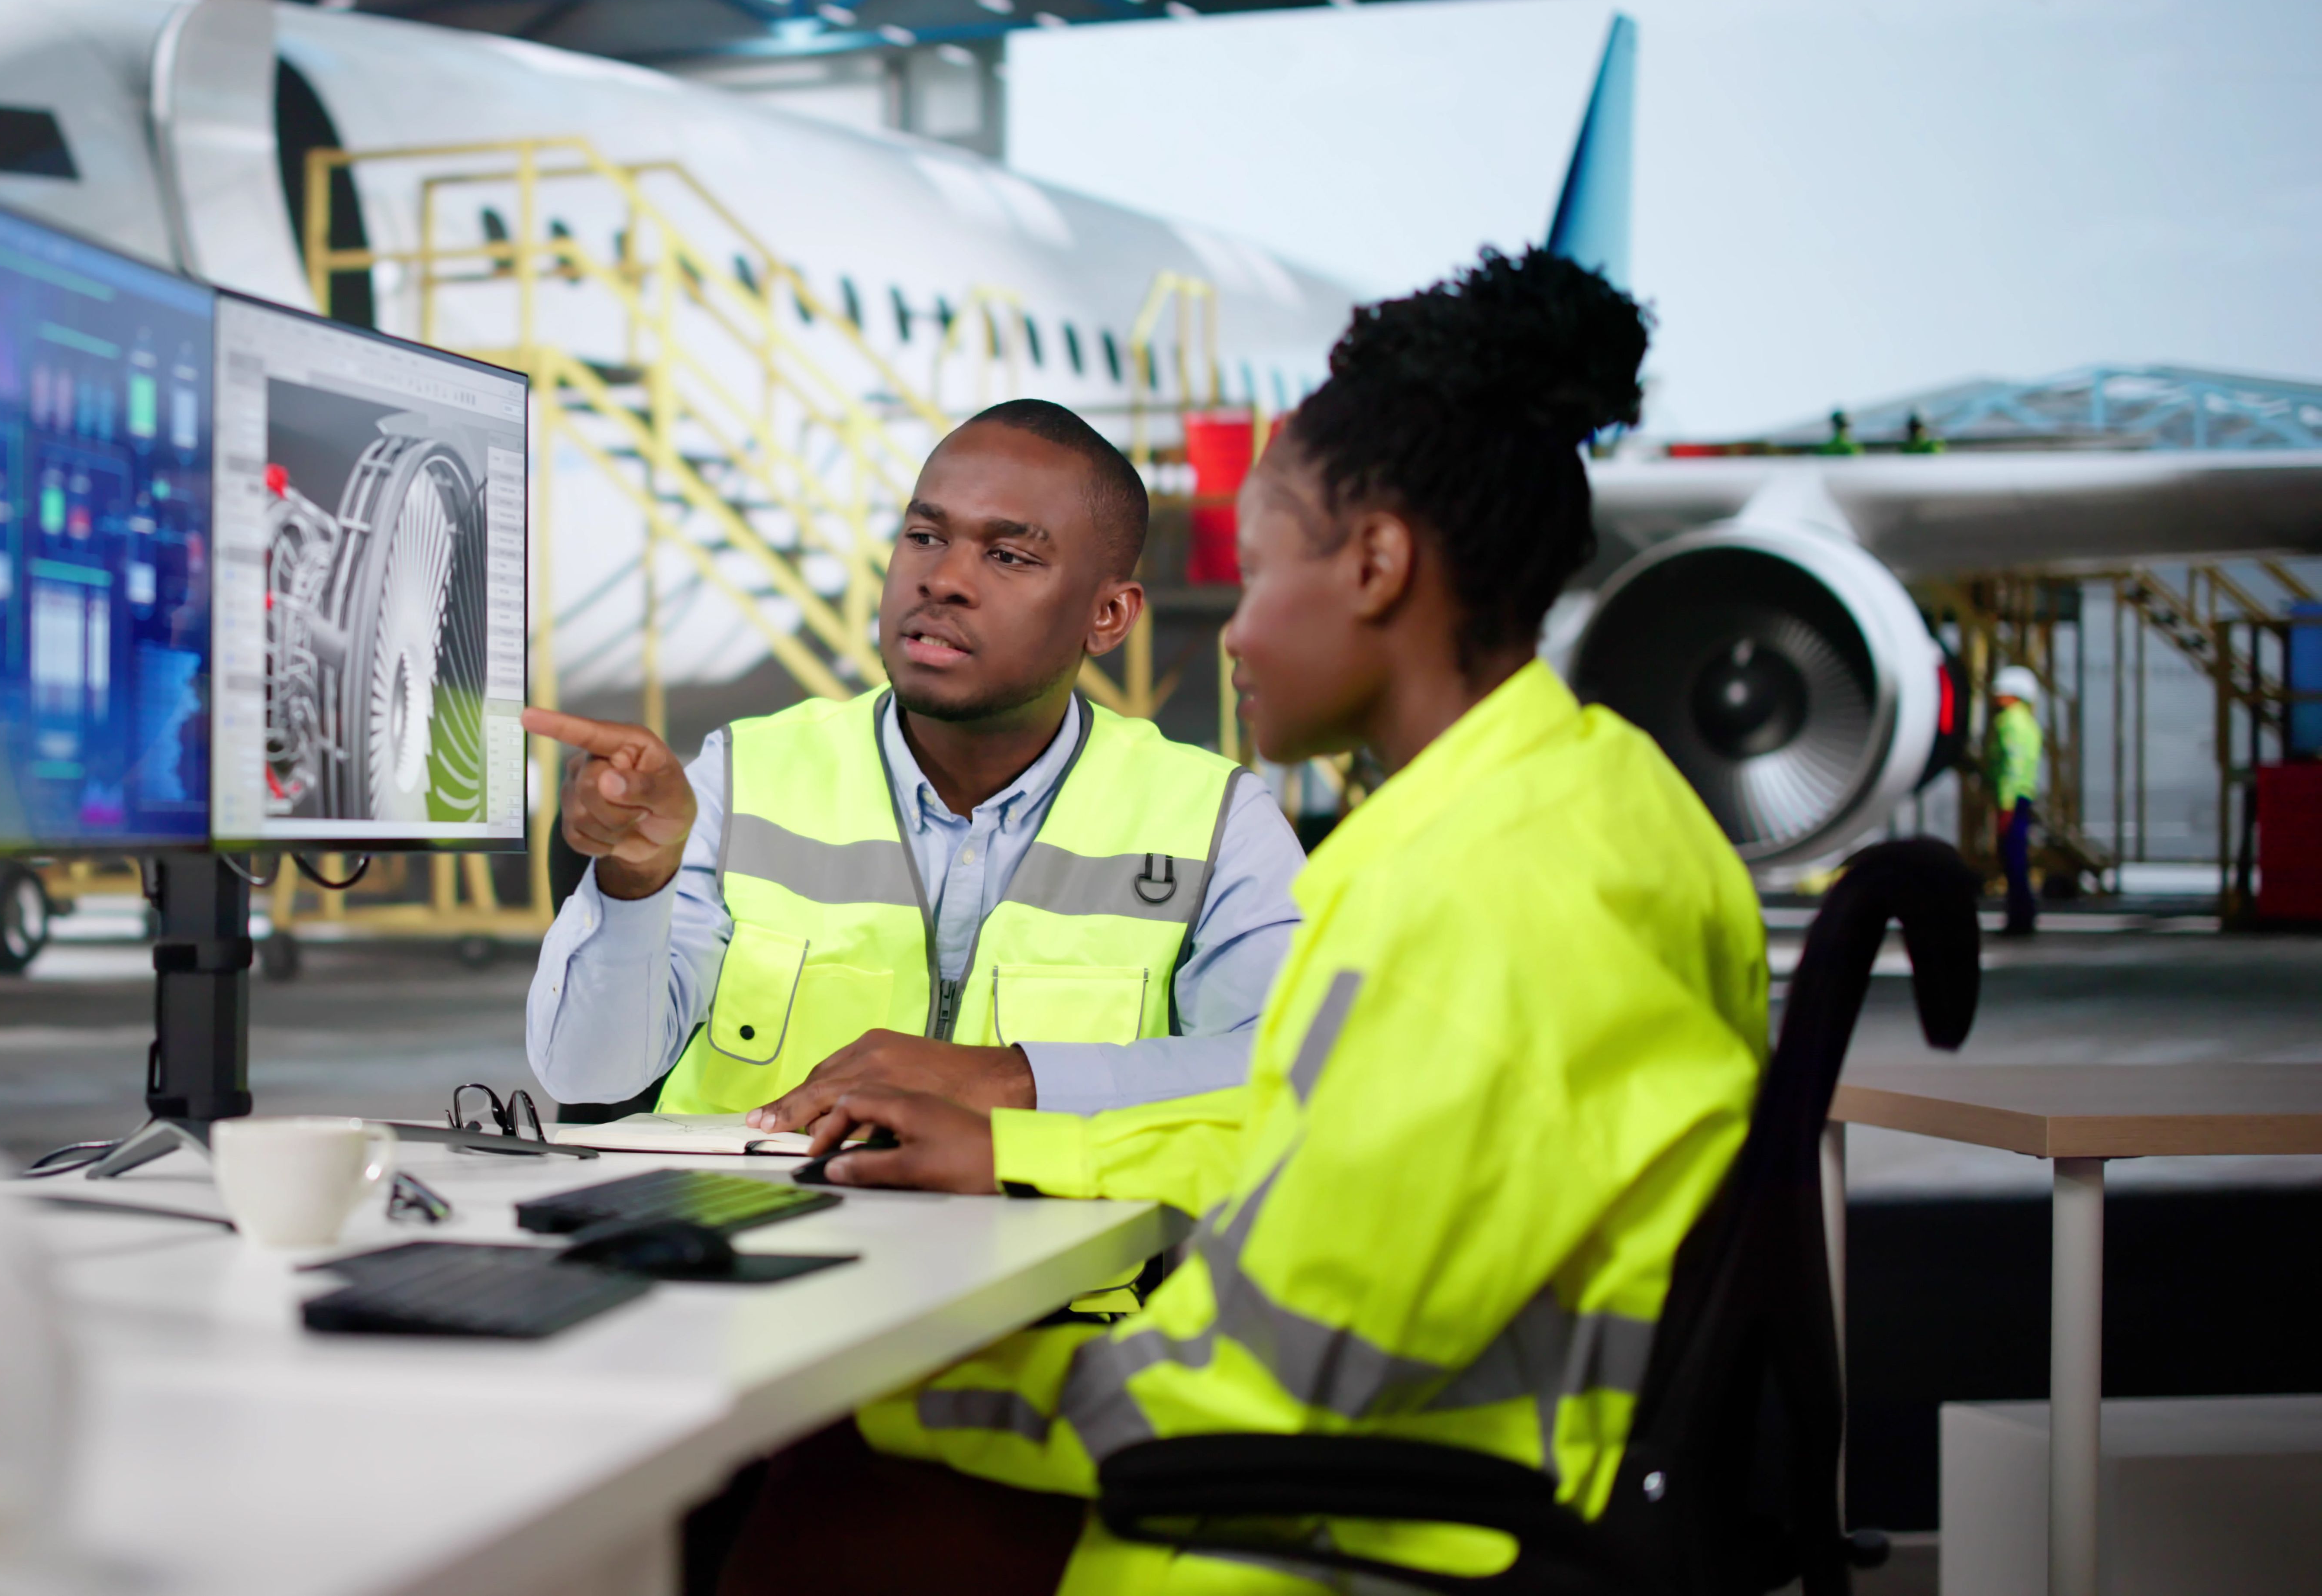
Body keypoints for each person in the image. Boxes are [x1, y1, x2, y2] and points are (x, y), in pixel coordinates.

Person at [722, 250, 1770, 1596]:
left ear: (1378, 567)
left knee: (805, 1504)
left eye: (1261, 573)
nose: (1233, 634)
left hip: (1305, 1541)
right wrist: (1024, 1151)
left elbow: (1260, 1379)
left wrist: (896, 1386)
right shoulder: (1585, 801)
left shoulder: (1471, 896)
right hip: (1430, 1490)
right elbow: (1323, 1145)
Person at [519, 400, 1305, 1123]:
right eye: (925, 537)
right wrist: (636, 884)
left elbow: (1290, 1068)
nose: (945, 580)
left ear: (1108, 615)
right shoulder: (743, 778)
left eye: (1008, 556)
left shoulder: (1213, 822)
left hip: (1043, 1278)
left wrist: (1010, 1080)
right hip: (740, 1261)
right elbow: (588, 1081)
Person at [1989, 664, 2044, 936]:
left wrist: (2006, 804)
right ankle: (2023, 916)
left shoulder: (2011, 722)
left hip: (2012, 799)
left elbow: (2012, 765)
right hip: (2024, 796)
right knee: (2017, 860)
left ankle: (2020, 920)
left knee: (2013, 861)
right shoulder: (2028, 722)